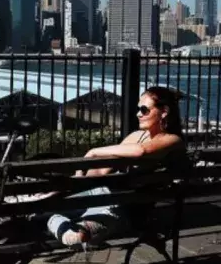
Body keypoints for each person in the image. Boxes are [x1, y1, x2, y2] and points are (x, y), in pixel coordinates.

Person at [46, 86, 186, 249]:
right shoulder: (137, 136)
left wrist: (93, 151)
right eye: (138, 109)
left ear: (164, 112)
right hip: (106, 196)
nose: (138, 114)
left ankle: (82, 232)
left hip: (125, 207)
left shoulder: (172, 140)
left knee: (64, 217)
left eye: (144, 109)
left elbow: (141, 151)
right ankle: (81, 232)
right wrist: (77, 181)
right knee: (47, 214)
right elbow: (103, 169)